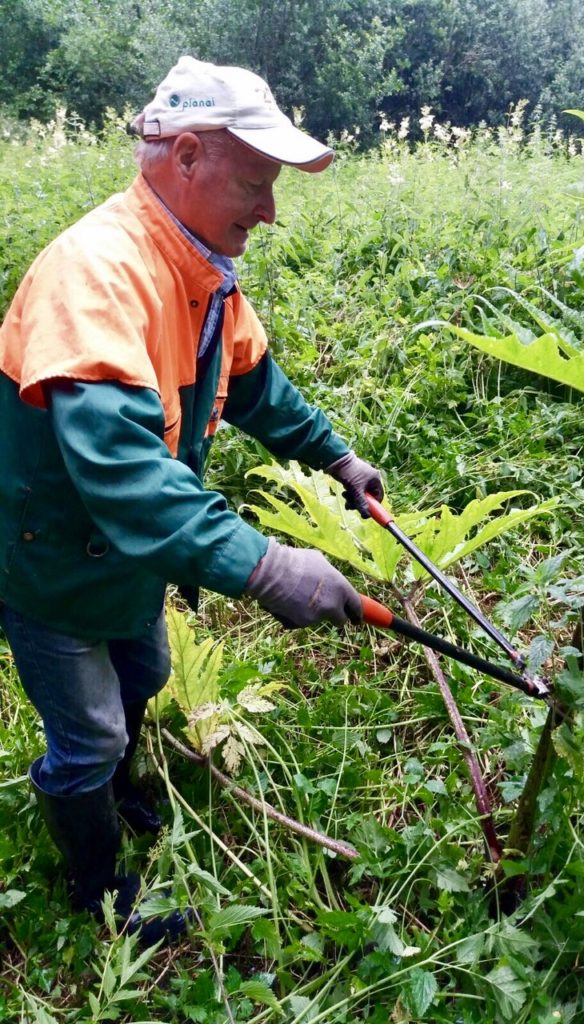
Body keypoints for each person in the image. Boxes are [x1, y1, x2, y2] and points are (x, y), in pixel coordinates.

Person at [0, 55, 384, 945]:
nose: (269, 210)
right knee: (89, 732)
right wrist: (267, 565)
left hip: (131, 561)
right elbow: (129, 478)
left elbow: (249, 382)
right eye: (254, 183)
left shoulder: (196, 270)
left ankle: (121, 788)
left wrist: (338, 456)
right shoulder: (96, 277)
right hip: (56, 559)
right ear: (182, 157)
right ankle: (96, 892)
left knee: (147, 675)